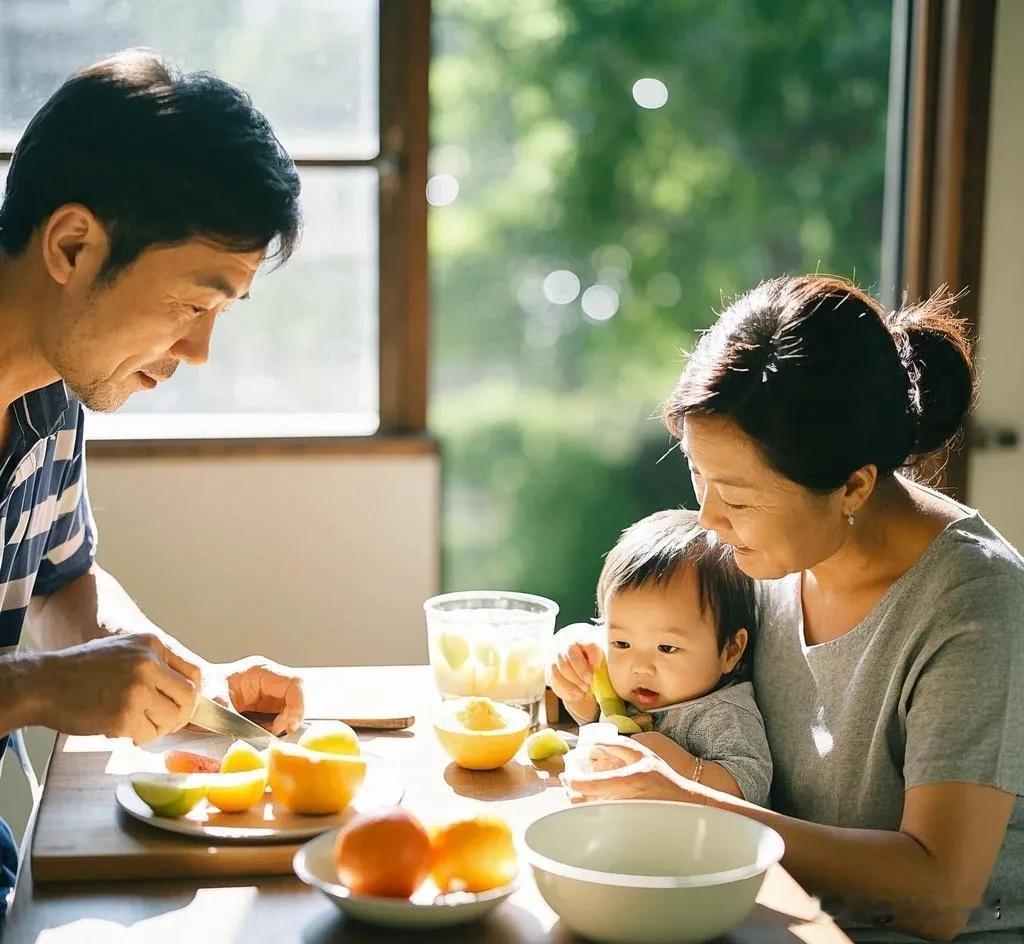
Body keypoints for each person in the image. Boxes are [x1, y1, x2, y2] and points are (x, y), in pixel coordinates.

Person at [556, 275, 1023, 943]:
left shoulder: (975, 607)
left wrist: (695, 803)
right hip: (773, 911)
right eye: (698, 474)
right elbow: (680, 657)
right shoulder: (766, 551)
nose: (710, 519)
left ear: (853, 485)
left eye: (739, 498)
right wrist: (592, 648)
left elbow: (938, 895)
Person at [0, 50, 308, 915]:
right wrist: (37, 690)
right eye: (190, 304)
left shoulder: (51, 398)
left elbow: (64, 584)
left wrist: (182, 683)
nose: (200, 351)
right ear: (72, 244)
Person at [553, 508, 771, 806]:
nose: (640, 667)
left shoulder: (722, 713)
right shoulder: (635, 688)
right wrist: (576, 690)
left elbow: (750, 784)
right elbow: (598, 716)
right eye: (621, 642)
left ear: (730, 650)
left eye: (667, 648)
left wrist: (679, 764)